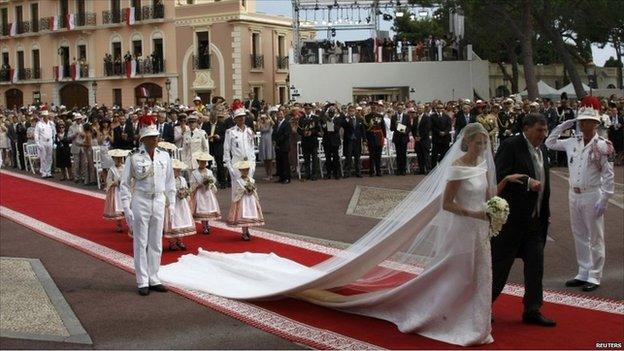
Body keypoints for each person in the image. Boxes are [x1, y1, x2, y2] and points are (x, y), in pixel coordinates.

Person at [159, 123, 526, 347]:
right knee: (460, 273)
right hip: (465, 227)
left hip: (479, 229)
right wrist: (479, 212)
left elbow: (488, 195)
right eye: (479, 144)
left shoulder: (481, 167)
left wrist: (502, 190)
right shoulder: (459, 168)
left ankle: (476, 323)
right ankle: (459, 321)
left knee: (480, 274)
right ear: (469, 144)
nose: (483, 149)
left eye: (485, 145)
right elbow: (448, 204)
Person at [492, 113, 556, 327]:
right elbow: (500, 176)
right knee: (500, 266)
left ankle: (532, 309)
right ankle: (482, 306)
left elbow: (545, 183)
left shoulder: (542, 148)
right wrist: (526, 182)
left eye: (545, 130)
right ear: (526, 128)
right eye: (539, 130)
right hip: (512, 221)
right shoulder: (511, 146)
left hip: (536, 221)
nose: (543, 135)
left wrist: (544, 212)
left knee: (535, 266)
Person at [545, 97, 615, 292]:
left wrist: (605, 198)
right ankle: (583, 270)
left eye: (588, 121)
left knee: (595, 236)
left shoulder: (602, 145)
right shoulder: (571, 142)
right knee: (579, 234)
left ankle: (594, 275)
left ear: (595, 123)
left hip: (592, 194)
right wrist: (562, 125)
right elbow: (550, 143)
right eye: (581, 120)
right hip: (573, 194)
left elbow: (608, 175)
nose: (584, 124)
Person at [120, 114, 176, 296]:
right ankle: (142, 280)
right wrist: (126, 207)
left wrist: (172, 203)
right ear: (144, 139)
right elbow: (125, 183)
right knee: (141, 241)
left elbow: (170, 182)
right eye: (152, 137)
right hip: (141, 200)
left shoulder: (164, 156)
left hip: (159, 199)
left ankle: (154, 277)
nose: (155, 139)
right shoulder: (133, 157)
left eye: (156, 136)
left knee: (156, 242)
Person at [227, 160, 265, 241]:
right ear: (240, 171)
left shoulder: (251, 180)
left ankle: (247, 230)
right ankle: (244, 232)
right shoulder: (238, 181)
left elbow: (254, 189)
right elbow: (238, 191)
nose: (245, 172)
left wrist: (252, 189)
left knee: (249, 214)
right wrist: (244, 190)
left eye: (247, 170)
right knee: (243, 215)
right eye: (243, 170)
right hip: (243, 200)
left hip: (250, 200)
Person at [164, 159, 197, 251]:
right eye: (176, 170)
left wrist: (185, 193)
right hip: (172, 203)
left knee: (182, 220)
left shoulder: (182, 179)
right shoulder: (167, 180)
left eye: (179, 170)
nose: (178, 171)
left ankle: (180, 240)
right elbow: (165, 192)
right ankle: (172, 242)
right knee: (172, 221)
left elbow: (187, 189)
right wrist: (176, 194)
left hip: (181, 203)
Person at [189, 152, 221, 235]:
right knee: (202, 209)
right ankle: (204, 226)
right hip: (200, 193)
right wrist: (198, 185)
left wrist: (210, 181)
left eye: (204, 162)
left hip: (208, 193)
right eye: (201, 161)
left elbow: (214, 180)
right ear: (198, 162)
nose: (203, 163)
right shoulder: (194, 173)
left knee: (208, 208)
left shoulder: (209, 172)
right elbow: (192, 183)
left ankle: (207, 224)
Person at [104, 149, 131, 233]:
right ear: (113, 159)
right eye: (117, 158)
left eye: (120, 158)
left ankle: (130, 224)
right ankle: (119, 224)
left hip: (125, 189)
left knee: (128, 207)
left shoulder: (125, 168)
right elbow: (108, 180)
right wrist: (115, 182)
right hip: (117, 191)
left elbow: (129, 177)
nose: (119, 160)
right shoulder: (111, 169)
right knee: (118, 207)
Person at [341, 105, 365, 178]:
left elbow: (362, 130)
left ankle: (358, 172)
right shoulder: (346, 119)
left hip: (357, 140)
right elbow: (343, 125)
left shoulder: (360, 119)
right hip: (349, 141)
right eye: (350, 111)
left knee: (357, 157)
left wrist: (364, 139)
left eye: (353, 110)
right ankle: (347, 172)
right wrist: (346, 119)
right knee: (348, 157)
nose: (351, 112)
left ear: (355, 111)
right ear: (348, 112)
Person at [298, 103, 321, 180]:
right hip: (305, 141)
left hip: (313, 141)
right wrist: (303, 133)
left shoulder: (315, 118)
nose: (307, 110)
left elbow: (318, 129)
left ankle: (314, 174)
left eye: (308, 109)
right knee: (306, 159)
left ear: (311, 109)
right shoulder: (301, 118)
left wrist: (312, 132)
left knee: (314, 159)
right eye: (306, 109)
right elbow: (299, 129)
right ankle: (307, 174)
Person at [364, 102, 386, 177]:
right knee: (372, 155)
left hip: (379, 136)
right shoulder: (367, 116)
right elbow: (365, 128)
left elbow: (383, 127)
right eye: (372, 107)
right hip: (371, 136)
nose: (373, 108)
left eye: (375, 107)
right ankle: (371, 171)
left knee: (378, 155)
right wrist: (365, 138)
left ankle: (378, 171)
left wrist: (384, 137)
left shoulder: (380, 116)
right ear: (370, 107)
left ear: (376, 108)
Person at [34, 109, 56, 178]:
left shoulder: (51, 123)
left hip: (50, 141)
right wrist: (38, 143)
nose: (45, 117)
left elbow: (54, 132)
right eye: (44, 116)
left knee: (49, 158)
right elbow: (36, 134)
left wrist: (54, 141)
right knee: (43, 158)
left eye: (46, 116)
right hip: (42, 142)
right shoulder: (39, 124)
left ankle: (48, 172)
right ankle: (43, 172)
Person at [390, 105, 411, 175]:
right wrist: (395, 125)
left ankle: (404, 170)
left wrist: (400, 127)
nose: (399, 109)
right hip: (397, 138)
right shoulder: (393, 117)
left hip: (404, 137)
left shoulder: (407, 116)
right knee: (398, 154)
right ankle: (399, 170)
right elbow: (391, 128)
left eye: (401, 108)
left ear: (403, 109)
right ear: (397, 109)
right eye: (398, 108)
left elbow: (409, 128)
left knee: (403, 154)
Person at [272, 109, 291, 184]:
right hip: (277, 146)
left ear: (284, 115)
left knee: (285, 163)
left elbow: (286, 134)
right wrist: (273, 140)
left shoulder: (286, 124)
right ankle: (281, 177)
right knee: (279, 162)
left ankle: (287, 178)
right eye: (278, 114)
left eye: (281, 114)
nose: (279, 116)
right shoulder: (276, 124)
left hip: (284, 145)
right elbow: (273, 133)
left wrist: (278, 141)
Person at [410, 106, 431, 174]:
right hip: (417, 140)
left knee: (426, 155)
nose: (419, 109)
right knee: (419, 155)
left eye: (421, 108)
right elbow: (413, 129)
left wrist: (421, 137)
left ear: (423, 109)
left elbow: (427, 129)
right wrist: (415, 136)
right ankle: (421, 170)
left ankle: (428, 169)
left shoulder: (427, 118)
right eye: (418, 108)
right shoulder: (415, 118)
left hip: (424, 139)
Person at [68, 113, 86, 183]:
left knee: (83, 163)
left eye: (80, 119)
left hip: (82, 146)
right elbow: (69, 136)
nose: (79, 120)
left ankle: (83, 176)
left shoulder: (83, 126)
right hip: (75, 146)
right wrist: (74, 134)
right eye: (78, 119)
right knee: (76, 163)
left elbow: (87, 135)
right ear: (75, 119)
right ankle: (76, 177)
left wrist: (83, 135)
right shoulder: (71, 127)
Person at [257, 112, 276, 181]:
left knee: (269, 158)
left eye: (264, 117)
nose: (263, 119)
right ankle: (267, 174)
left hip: (269, 140)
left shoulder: (269, 122)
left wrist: (269, 117)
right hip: (263, 141)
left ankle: (270, 174)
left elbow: (274, 124)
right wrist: (258, 121)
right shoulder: (260, 123)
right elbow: (258, 129)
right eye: (262, 118)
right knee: (265, 158)